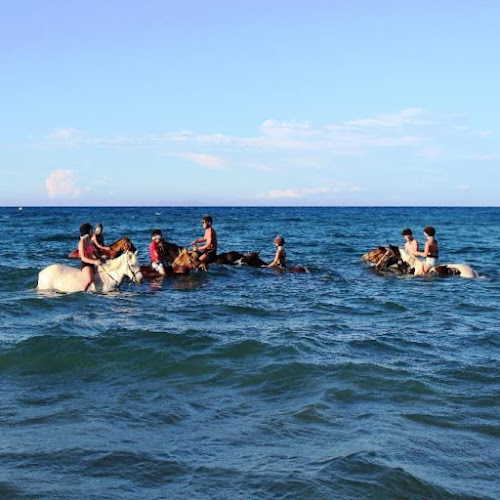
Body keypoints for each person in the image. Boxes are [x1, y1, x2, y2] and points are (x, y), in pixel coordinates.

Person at [78, 222, 104, 291]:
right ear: (88, 231)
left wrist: (102, 259)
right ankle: (81, 293)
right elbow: (83, 258)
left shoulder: (89, 240)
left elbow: (94, 253)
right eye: (91, 230)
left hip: (92, 263)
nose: (93, 231)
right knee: (89, 280)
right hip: (86, 264)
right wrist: (94, 261)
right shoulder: (82, 242)